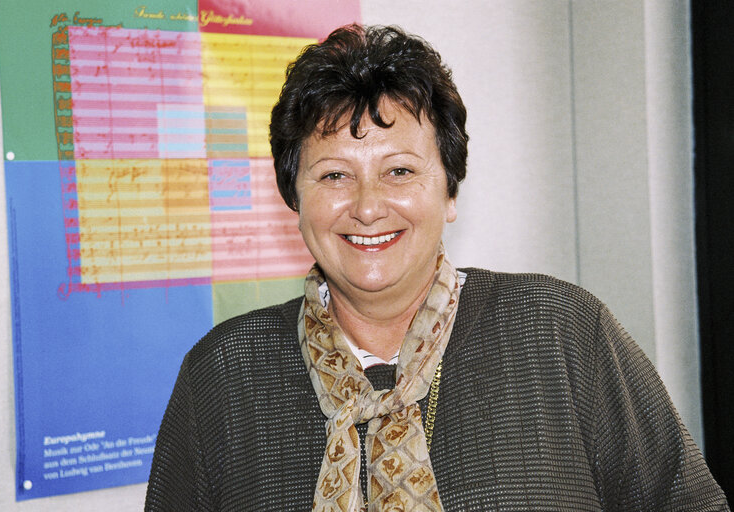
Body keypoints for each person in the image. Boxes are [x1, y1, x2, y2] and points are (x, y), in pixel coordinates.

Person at [145, 24, 729, 511]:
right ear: (293, 197)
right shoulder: (221, 375)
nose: (368, 206)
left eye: (399, 171)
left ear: (450, 193)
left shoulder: (561, 332)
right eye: (333, 175)